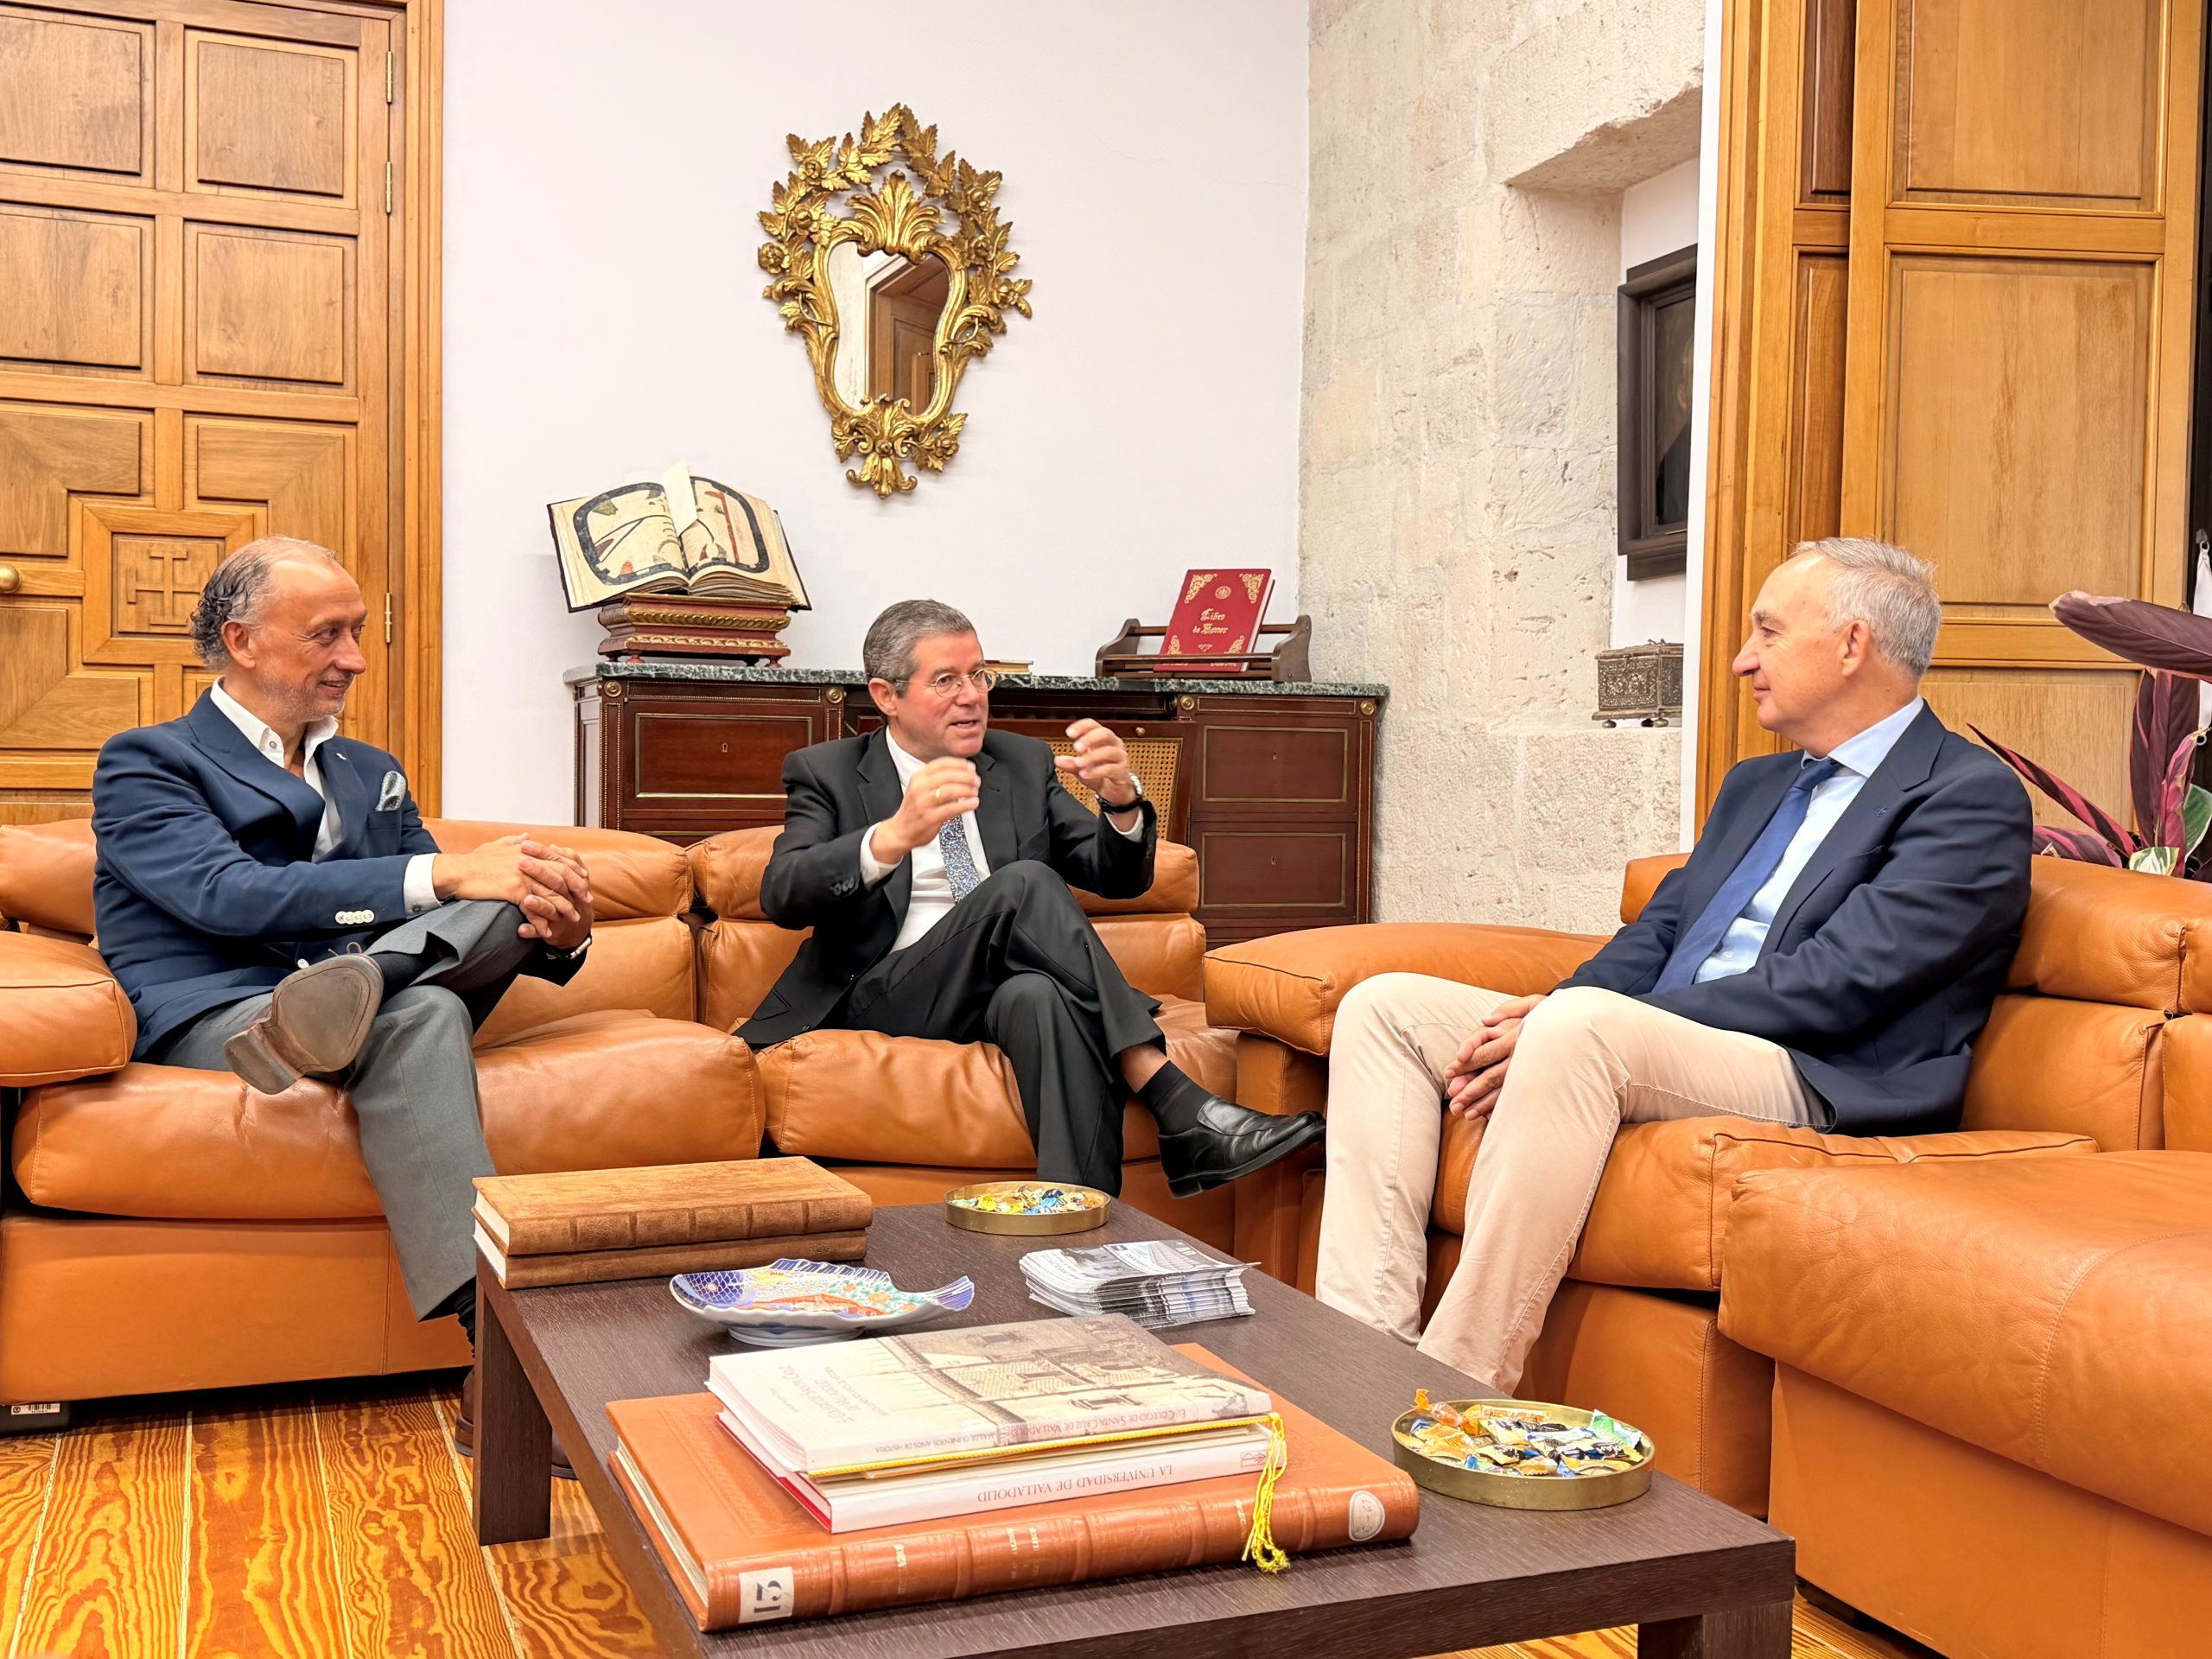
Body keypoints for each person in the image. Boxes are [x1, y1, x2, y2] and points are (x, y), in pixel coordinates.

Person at [1314, 537, 2031, 1390]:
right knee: (1386, 1006)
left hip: (1813, 1069)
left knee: (1582, 1030)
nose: (1741, 661)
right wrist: (1545, 1012)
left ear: (1851, 645)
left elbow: (1843, 981)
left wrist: (1587, 1023)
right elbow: (1654, 939)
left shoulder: (1965, 796)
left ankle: (1455, 1387)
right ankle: (1356, 1370)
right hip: (1654, 1040)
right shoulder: (1754, 787)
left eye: (1766, 633)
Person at [91, 537, 594, 1461]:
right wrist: (447, 876)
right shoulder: (147, 763)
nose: (354, 659)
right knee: (431, 999)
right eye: (327, 635)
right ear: (242, 641)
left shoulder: (369, 769)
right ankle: (511, 1364)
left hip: (360, 996)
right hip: (231, 1019)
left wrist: (553, 923)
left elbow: (454, 903)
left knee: (470, 921)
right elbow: (224, 896)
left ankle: (355, 992)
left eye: (358, 634)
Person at [741, 599, 1325, 1195]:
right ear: (887, 696)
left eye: (979, 674)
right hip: (888, 992)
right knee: (1025, 881)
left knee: (1041, 995)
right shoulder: (828, 771)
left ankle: (1082, 1232)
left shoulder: (1019, 762)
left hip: (996, 993)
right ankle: (1168, 1091)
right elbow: (783, 894)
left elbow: (1116, 879)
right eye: (946, 680)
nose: (972, 695)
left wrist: (1122, 803)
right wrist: (889, 839)